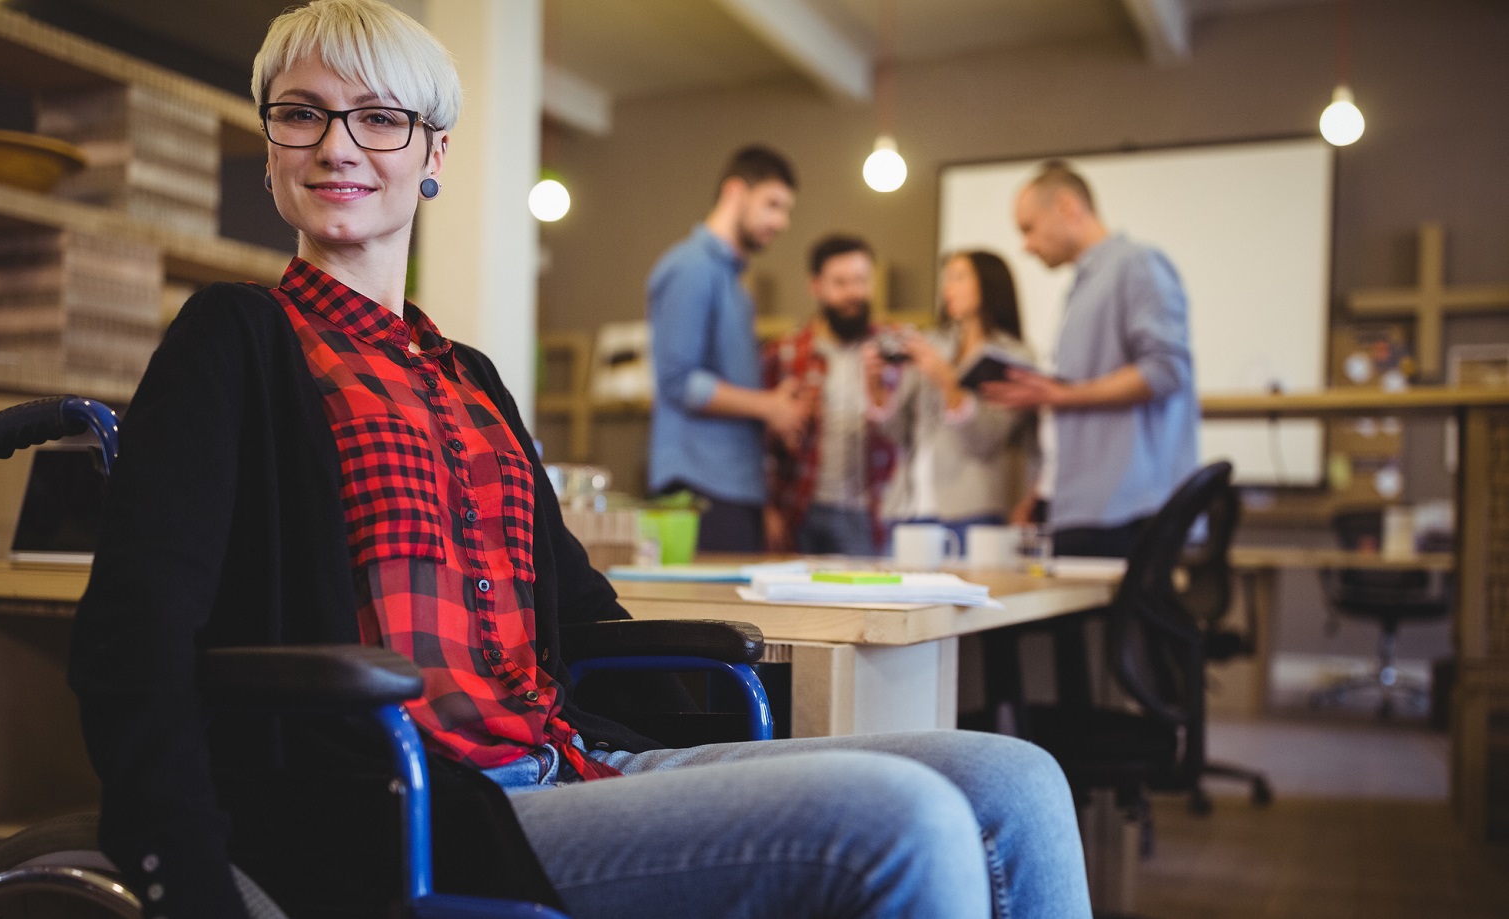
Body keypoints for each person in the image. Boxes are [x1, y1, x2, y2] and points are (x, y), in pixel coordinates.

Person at [68, 3, 1093, 917]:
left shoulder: (463, 373)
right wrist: (179, 875)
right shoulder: (237, 338)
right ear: (270, 149)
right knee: (902, 816)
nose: (338, 144)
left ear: (433, 153)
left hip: (564, 754)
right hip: (414, 797)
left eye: (379, 118)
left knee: (1014, 780)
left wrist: (716, 753)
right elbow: (132, 638)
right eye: (302, 113)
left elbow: (582, 609)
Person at [983, 160, 1198, 559]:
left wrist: (1061, 395)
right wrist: (1042, 490)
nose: (1025, 245)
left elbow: (1167, 370)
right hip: (1077, 507)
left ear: (1067, 206)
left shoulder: (1136, 264)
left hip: (1124, 510)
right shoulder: (1083, 283)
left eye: (1028, 228)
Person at [646, 146, 809, 553]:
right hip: (700, 482)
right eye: (773, 204)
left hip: (735, 484)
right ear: (735, 191)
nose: (782, 221)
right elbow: (679, 382)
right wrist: (768, 406)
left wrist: (773, 407)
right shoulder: (692, 267)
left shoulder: (733, 281)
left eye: (786, 210)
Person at [866, 250, 1038, 548]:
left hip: (970, 511)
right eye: (946, 280)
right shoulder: (932, 345)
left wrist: (947, 381)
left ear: (989, 283)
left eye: (958, 278)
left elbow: (987, 438)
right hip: (907, 509)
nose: (947, 289)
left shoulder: (1013, 356)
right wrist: (874, 387)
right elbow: (897, 434)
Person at [760, 234, 896, 555]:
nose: (853, 292)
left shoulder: (894, 350)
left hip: (872, 511)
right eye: (841, 282)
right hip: (801, 510)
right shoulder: (786, 353)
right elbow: (759, 443)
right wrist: (767, 510)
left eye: (861, 280)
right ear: (816, 286)